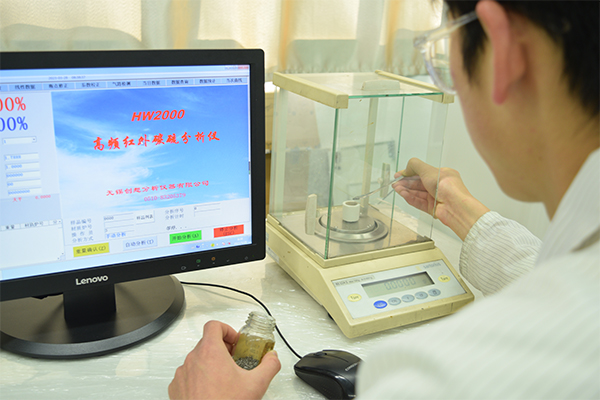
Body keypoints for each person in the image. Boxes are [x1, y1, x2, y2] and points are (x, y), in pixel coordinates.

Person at [169, 0, 599, 398]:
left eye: (443, 50)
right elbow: (552, 275)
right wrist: (464, 214)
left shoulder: (442, 379)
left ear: (504, 52)